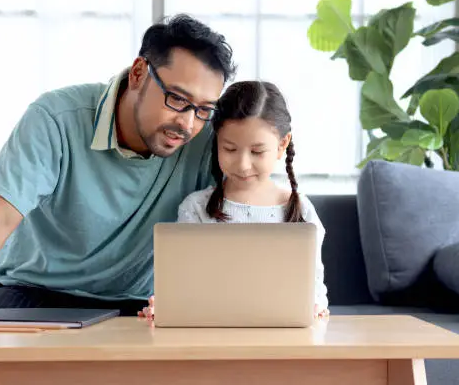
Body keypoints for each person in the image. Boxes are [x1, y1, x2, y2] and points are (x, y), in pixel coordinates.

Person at [0, 14, 236, 325]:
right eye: (177, 99)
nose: (187, 123)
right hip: (32, 291)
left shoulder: (207, 139)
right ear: (138, 74)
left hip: (136, 302)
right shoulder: (56, 117)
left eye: (204, 108)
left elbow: (243, 209)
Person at [139, 80, 329, 321]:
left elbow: (315, 289)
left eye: (257, 152)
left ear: (282, 145)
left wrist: (315, 306)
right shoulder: (196, 208)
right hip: (211, 333)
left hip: (284, 335)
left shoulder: (300, 210)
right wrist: (166, 304)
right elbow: (183, 284)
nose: (242, 164)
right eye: (229, 149)